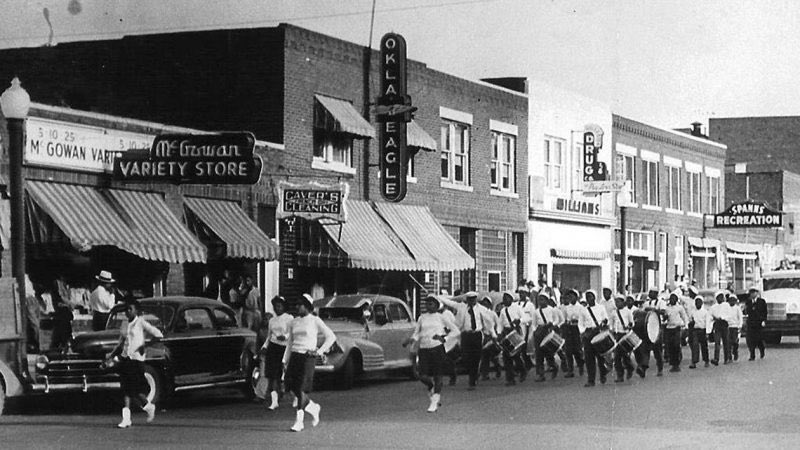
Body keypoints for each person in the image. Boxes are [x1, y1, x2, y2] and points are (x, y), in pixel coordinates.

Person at [105, 298, 163, 428]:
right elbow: (120, 343)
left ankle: (148, 406)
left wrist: (145, 345)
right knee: (125, 389)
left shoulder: (140, 322)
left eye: (130, 309)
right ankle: (126, 419)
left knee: (135, 390)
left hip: (137, 360)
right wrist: (112, 355)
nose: (128, 311)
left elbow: (158, 334)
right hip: (126, 359)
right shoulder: (124, 324)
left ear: (137, 311)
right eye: (126, 309)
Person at [283, 294, 336, 432]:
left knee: (300, 388)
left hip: (307, 357)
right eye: (296, 304)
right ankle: (313, 407)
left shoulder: (315, 320)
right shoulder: (294, 322)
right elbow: (289, 342)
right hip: (295, 355)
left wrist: (319, 352)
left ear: (307, 306)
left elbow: (331, 337)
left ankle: (299, 421)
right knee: (292, 387)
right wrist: (285, 360)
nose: (297, 307)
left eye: (299, 304)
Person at [406, 296, 459, 412]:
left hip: (437, 348)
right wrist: (411, 340)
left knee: (438, 375)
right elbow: (417, 332)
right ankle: (430, 386)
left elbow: (456, 331)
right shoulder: (422, 318)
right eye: (427, 303)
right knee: (422, 375)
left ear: (436, 305)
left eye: (431, 304)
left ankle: (434, 401)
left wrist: (444, 338)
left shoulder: (441, 317)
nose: (428, 306)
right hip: (424, 349)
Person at [438, 292, 496, 390]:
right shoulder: (461, 307)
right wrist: (437, 296)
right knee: (466, 357)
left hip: (477, 334)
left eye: (473, 299)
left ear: (476, 299)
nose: (472, 301)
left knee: (476, 357)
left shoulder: (481, 309)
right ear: (467, 300)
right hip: (466, 335)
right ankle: (473, 374)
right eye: (469, 299)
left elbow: (489, 323)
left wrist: (493, 334)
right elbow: (449, 303)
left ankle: (472, 381)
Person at [261, 296, 293, 410]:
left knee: (285, 373)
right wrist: (264, 346)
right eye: (275, 306)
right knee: (272, 374)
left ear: (284, 306)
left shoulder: (289, 318)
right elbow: (269, 336)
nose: (277, 308)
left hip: (285, 347)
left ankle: (294, 395)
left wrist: (285, 336)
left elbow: (292, 333)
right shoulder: (272, 320)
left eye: (279, 306)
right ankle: (274, 401)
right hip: (273, 347)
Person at [578, 290, 609, 387]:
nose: (588, 298)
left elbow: (606, 319)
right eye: (587, 297)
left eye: (590, 296)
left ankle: (603, 374)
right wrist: (583, 332)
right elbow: (580, 323)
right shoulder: (583, 310)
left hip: (598, 332)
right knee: (589, 358)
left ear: (594, 297)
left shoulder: (601, 308)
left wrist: (603, 323)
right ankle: (591, 380)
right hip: (588, 333)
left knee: (600, 356)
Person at [496, 291, 527, 386]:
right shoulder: (502, 311)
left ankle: (522, 370)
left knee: (516, 355)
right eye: (503, 298)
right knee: (506, 356)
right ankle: (510, 378)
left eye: (506, 298)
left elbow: (526, 318)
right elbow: (500, 323)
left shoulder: (517, 308)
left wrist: (520, 320)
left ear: (511, 299)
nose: (504, 300)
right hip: (506, 332)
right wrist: (499, 333)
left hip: (515, 331)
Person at [531, 291, 561, 382]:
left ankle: (553, 365)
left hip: (548, 331)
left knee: (548, 352)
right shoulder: (536, 312)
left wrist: (552, 324)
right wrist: (535, 331)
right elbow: (534, 323)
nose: (540, 301)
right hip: (539, 332)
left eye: (542, 299)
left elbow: (556, 320)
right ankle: (540, 374)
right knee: (539, 354)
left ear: (547, 300)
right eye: (539, 299)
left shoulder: (552, 310)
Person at [639, 287, 666, 377]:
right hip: (647, 328)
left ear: (656, 294)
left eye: (652, 292)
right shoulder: (646, 303)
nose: (650, 294)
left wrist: (654, 310)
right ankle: (643, 367)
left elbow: (663, 312)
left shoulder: (661, 302)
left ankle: (660, 368)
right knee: (646, 349)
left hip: (658, 328)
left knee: (657, 350)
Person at [609, 295, 635, 382]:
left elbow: (632, 323)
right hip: (617, 335)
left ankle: (629, 368)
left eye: (619, 302)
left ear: (623, 302)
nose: (617, 304)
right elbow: (611, 324)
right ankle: (620, 375)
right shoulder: (613, 313)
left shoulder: (627, 311)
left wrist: (628, 326)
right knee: (617, 357)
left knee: (625, 355)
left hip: (625, 335)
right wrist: (612, 331)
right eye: (616, 302)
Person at [559, 289, 585, 378]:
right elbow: (565, 319)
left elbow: (582, 319)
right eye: (569, 296)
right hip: (569, 328)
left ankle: (580, 364)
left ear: (576, 297)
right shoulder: (567, 308)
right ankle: (570, 370)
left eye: (572, 296)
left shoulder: (581, 307)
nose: (571, 298)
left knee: (577, 349)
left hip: (577, 328)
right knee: (568, 350)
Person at [663, 293, 688, 372]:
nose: (672, 300)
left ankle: (677, 363)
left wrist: (686, 326)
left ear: (676, 300)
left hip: (677, 328)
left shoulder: (679, 308)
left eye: (673, 299)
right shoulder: (667, 308)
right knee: (670, 346)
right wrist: (665, 318)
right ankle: (673, 363)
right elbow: (664, 318)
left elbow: (684, 316)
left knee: (676, 345)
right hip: (669, 328)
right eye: (671, 299)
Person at [709, 290, 732, 365]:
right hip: (717, 325)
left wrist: (723, 317)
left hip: (724, 324)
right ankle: (716, 358)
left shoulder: (726, 305)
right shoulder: (713, 307)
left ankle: (727, 358)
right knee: (717, 342)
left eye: (722, 297)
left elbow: (729, 315)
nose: (721, 298)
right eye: (719, 297)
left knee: (726, 342)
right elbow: (710, 316)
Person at [687, 296, 710, 368]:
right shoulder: (693, 312)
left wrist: (707, 332)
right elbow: (690, 320)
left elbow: (707, 322)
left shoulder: (705, 312)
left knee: (704, 347)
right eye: (696, 302)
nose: (698, 304)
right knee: (695, 346)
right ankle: (694, 362)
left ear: (702, 303)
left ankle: (706, 360)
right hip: (695, 330)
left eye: (699, 302)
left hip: (703, 330)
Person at [745, 287, 768, 360]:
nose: (752, 294)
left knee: (759, 339)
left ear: (757, 293)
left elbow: (765, 312)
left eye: (754, 293)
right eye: (751, 293)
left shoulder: (762, 301)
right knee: (750, 340)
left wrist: (764, 320)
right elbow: (746, 311)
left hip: (759, 323)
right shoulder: (748, 302)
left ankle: (762, 350)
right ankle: (752, 355)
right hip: (751, 323)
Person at [517, 286, 536, 371]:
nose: (521, 294)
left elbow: (532, 317)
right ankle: (525, 363)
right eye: (520, 293)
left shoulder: (530, 305)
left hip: (527, 327)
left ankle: (527, 363)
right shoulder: (516, 304)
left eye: (523, 293)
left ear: (526, 294)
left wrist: (523, 320)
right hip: (518, 327)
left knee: (525, 346)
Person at [728, 292, 743, 361]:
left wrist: (740, 326)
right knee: (728, 342)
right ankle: (729, 355)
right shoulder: (727, 308)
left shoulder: (737, 308)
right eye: (730, 300)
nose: (732, 301)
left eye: (733, 300)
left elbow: (740, 318)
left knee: (735, 341)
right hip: (728, 327)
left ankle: (735, 351)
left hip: (735, 327)